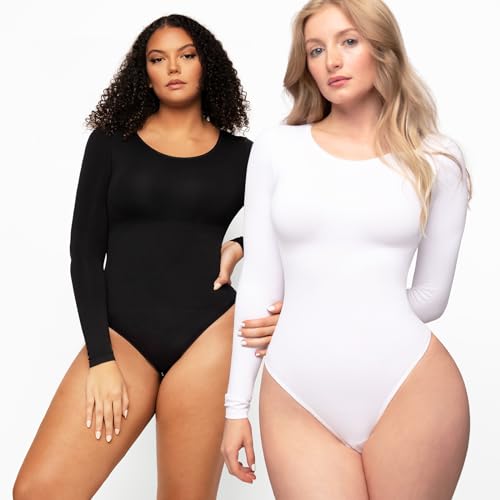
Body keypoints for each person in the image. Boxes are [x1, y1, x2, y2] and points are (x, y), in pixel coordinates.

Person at [13, 14, 282, 500]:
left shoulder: (244, 155)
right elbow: (84, 253)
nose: (173, 68)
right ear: (145, 73)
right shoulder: (109, 145)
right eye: (158, 59)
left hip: (208, 336)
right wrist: (100, 359)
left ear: (207, 65)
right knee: (39, 491)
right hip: (122, 340)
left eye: (186, 55)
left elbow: (294, 228)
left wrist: (241, 244)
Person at [221, 1, 471, 498]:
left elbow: (431, 297)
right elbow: (260, 285)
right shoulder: (277, 150)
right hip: (297, 397)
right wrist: (236, 408)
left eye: (348, 42)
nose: (331, 60)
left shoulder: (439, 160)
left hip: (410, 386)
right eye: (316, 50)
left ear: (383, 49)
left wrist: (331, 310)